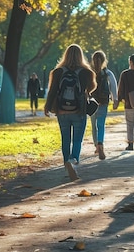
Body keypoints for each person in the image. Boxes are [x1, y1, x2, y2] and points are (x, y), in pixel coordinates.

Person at [44, 44, 96, 181]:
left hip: (62, 111)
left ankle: (67, 165)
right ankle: (73, 161)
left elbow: (52, 91)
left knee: (65, 139)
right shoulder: (87, 72)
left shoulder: (57, 72)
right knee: (77, 140)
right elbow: (91, 87)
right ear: (81, 56)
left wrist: (47, 107)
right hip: (79, 111)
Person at [90, 50, 119, 160]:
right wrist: (115, 99)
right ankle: (101, 143)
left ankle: (96, 146)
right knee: (101, 125)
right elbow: (113, 86)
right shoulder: (108, 73)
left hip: (92, 102)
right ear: (104, 60)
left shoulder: (90, 72)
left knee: (94, 125)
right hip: (103, 102)